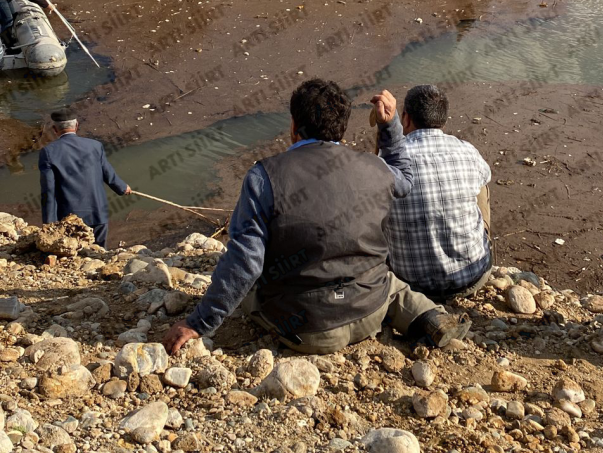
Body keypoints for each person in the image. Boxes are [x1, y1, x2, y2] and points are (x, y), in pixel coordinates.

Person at [161, 79, 470, 357]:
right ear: (343, 127)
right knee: (390, 285)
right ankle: (429, 318)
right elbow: (405, 178)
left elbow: (245, 263)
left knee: (251, 291)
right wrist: (389, 128)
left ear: (294, 126)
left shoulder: (263, 177)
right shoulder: (374, 168)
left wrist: (198, 323)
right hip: (369, 309)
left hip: (308, 330)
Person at [382, 84, 492, 301]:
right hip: (472, 278)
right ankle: (477, 247)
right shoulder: (468, 151)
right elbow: (484, 178)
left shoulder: (388, 162)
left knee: (379, 195)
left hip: (410, 283)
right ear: (443, 120)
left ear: (405, 119)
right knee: (481, 183)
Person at [38, 108, 131, 248]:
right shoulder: (95, 146)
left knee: (73, 252)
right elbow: (107, 172)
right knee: (99, 251)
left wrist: (49, 222)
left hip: (69, 218)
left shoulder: (48, 152)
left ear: (54, 129)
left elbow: (48, 190)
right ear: (76, 126)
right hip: (98, 212)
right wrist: (123, 188)